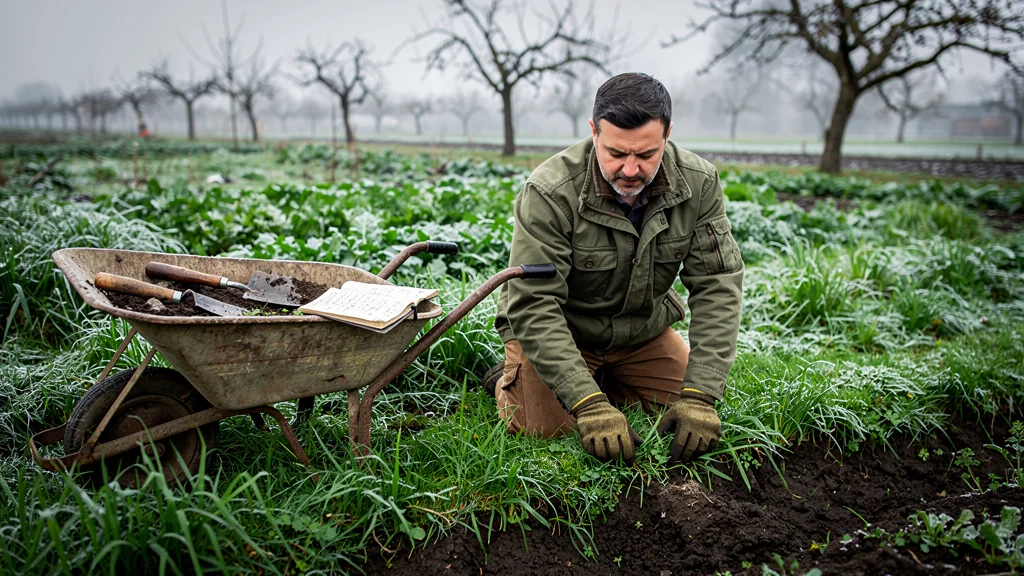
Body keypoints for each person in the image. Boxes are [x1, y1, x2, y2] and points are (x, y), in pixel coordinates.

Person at [487, 72, 744, 465]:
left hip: (639, 331)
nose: (629, 169)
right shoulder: (549, 192)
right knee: (547, 430)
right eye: (616, 153)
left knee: (685, 412)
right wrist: (588, 405)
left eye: (646, 155)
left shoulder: (699, 183)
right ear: (593, 131)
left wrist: (701, 395)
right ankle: (507, 380)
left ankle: (606, 378)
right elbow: (534, 304)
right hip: (563, 331)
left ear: (668, 135)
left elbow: (718, 284)